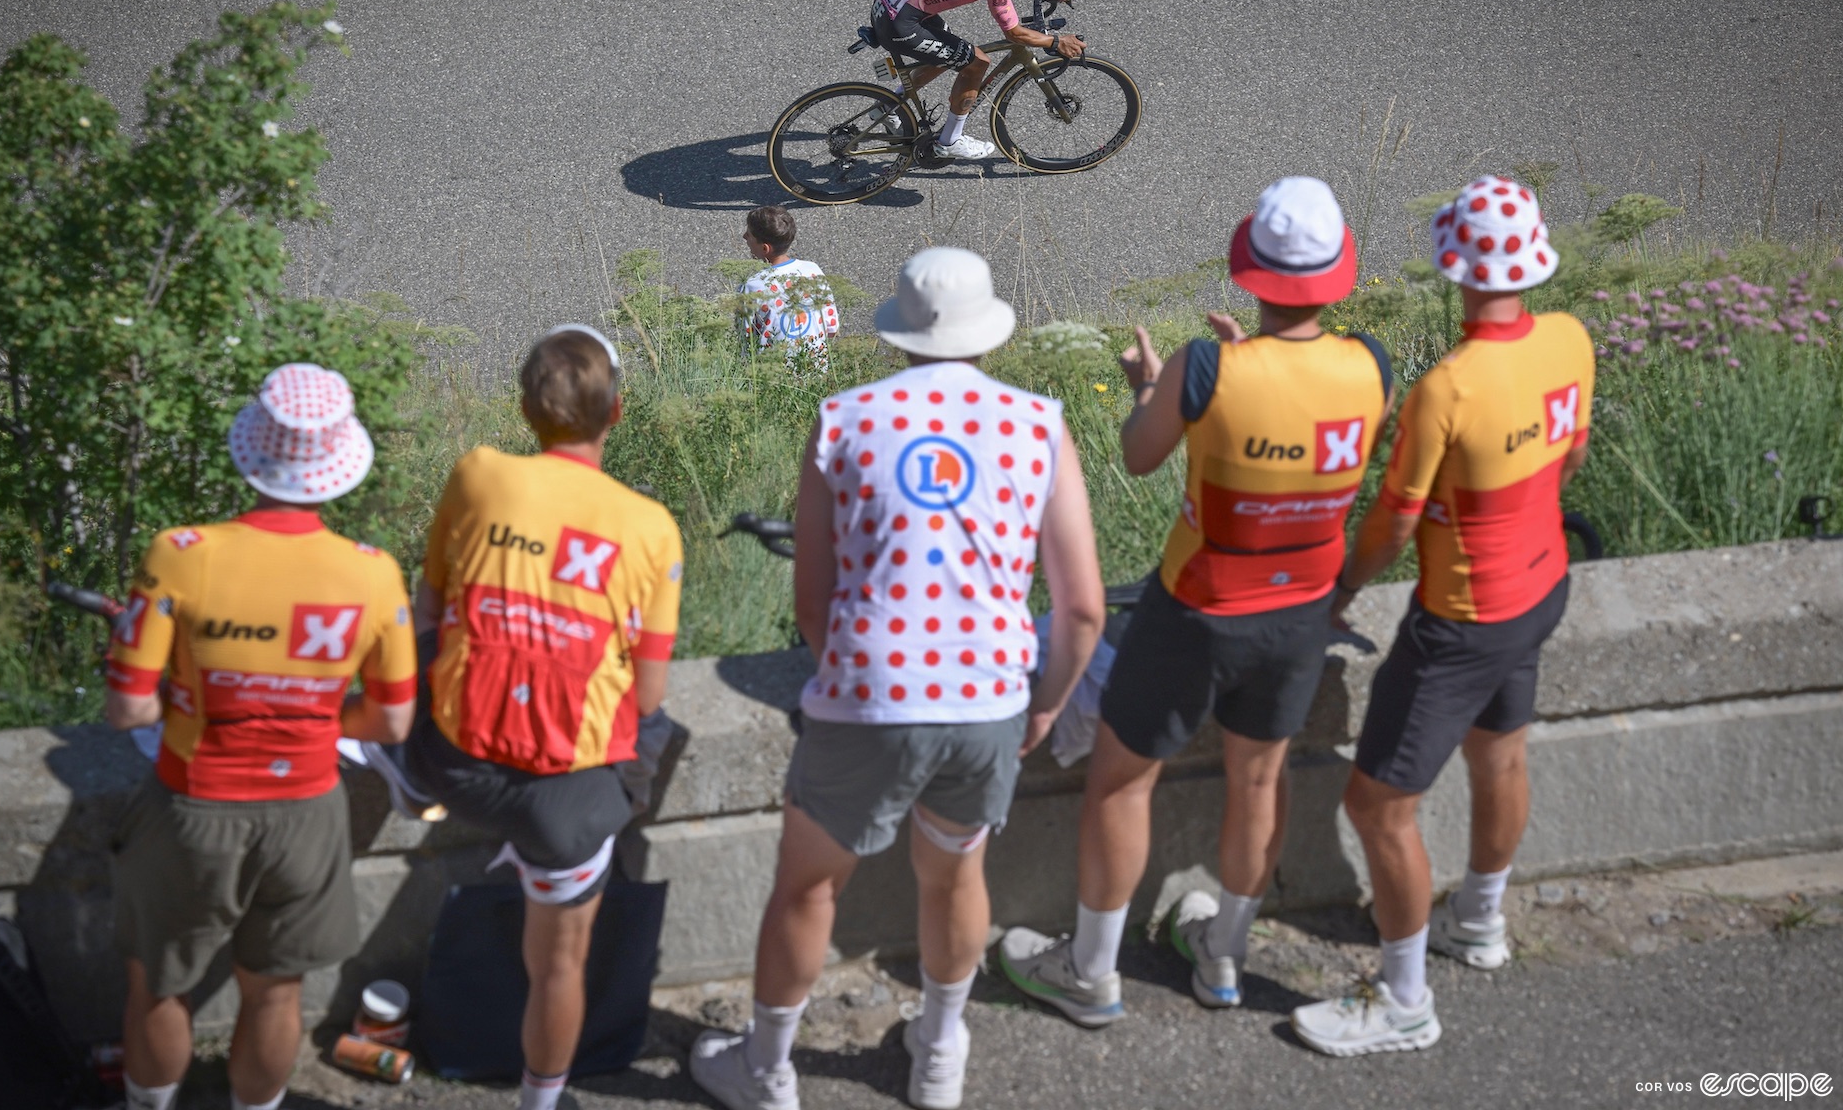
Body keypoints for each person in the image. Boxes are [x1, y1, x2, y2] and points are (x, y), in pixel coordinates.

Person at [689, 246, 1107, 1110]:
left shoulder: (843, 418)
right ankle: (941, 1055)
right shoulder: (1038, 423)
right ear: (987, 329)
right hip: (989, 694)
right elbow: (1081, 613)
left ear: (899, 333)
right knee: (954, 877)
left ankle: (766, 1071)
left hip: (870, 691)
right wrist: (1047, 704)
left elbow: (814, 597)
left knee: (808, 888)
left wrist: (854, 674)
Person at [999, 177, 1394, 1023]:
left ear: (1252, 272)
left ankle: (1093, 972)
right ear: (1337, 276)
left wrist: (1157, 385)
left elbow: (1141, 456)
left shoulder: (1206, 366)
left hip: (1198, 610)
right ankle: (1223, 959)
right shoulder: (1372, 366)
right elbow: (1294, 429)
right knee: (1259, 782)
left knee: (1119, 783)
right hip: (1302, 613)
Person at [1291, 175, 1593, 1057]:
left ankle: (1405, 1001)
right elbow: (1568, 460)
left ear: (1453, 267)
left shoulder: (1446, 389)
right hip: (1543, 585)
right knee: (1500, 753)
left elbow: (1392, 522)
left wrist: (1342, 589)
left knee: (1379, 806)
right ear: (1534, 263)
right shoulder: (1571, 341)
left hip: (1462, 616)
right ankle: (1482, 922)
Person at [103, 363, 417, 1110]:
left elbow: (128, 712)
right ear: (336, 468)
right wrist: (307, 715)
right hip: (308, 809)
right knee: (276, 994)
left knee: (159, 987)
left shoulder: (180, 552)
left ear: (253, 452)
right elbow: (392, 721)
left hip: (191, 806)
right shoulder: (372, 574)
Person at [405, 324, 683, 1110]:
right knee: (558, 964)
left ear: (527, 409)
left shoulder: (479, 474)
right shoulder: (649, 526)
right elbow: (650, 697)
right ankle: (541, 1099)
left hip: (452, 765)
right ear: (617, 412)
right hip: (564, 798)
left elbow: (429, 606)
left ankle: (402, 782)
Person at [871, 0, 1086, 162]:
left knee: (951, 51)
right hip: (902, 23)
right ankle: (950, 141)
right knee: (977, 63)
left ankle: (889, 105)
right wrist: (1057, 41)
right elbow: (1015, 33)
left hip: (892, 2)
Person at [739, 204, 840, 371]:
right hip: (816, 367)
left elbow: (746, 339)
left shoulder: (751, 285)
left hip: (771, 373)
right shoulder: (812, 270)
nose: (744, 237)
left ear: (765, 248)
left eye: (748, 235)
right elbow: (832, 328)